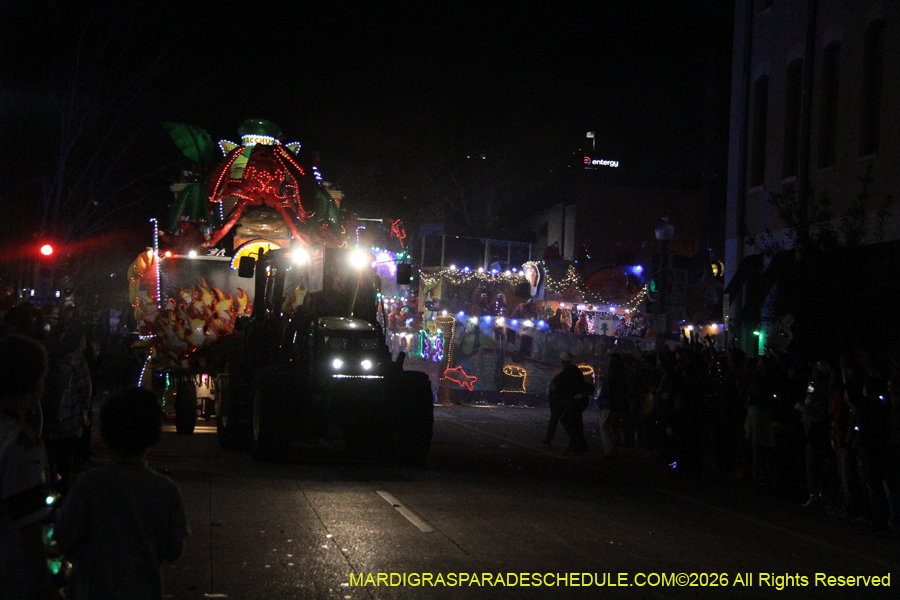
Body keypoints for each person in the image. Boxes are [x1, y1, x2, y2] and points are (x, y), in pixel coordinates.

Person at [55, 388, 190, 600]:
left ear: (106, 434)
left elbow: (64, 536)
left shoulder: (89, 484)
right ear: (155, 435)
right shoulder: (165, 490)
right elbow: (174, 549)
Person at [0, 334, 64, 600]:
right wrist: (48, 586)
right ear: (34, 382)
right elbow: (30, 528)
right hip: (13, 577)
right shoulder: (21, 445)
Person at [544, 351, 592, 454]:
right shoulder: (575, 370)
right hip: (580, 398)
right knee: (576, 421)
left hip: (574, 399)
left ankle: (576, 443)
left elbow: (560, 387)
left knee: (566, 419)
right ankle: (579, 444)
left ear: (562, 362)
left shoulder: (565, 373)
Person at [597, 353, 627, 457]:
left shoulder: (611, 373)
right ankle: (615, 448)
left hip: (609, 403)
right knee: (613, 427)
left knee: (604, 426)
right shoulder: (622, 373)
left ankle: (609, 451)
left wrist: (601, 400)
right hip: (618, 404)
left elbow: (609, 390)